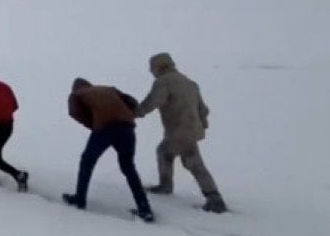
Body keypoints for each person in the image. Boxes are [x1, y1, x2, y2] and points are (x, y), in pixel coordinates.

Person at [137, 53, 227, 213]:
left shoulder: (163, 82)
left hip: (179, 130)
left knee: (186, 160)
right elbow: (203, 109)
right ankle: (210, 196)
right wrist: (202, 124)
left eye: (152, 68)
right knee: (174, 154)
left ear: (159, 67)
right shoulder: (189, 82)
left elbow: (154, 101)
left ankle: (213, 198)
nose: (151, 71)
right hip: (191, 129)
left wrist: (138, 111)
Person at [63, 78, 154, 222]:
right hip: (127, 128)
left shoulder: (76, 95)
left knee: (87, 161)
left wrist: (94, 126)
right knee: (128, 167)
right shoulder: (109, 89)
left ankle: (80, 199)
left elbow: (75, 113)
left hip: (105, 128)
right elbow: (131, 100)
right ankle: (145, 209)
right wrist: (130, 115)